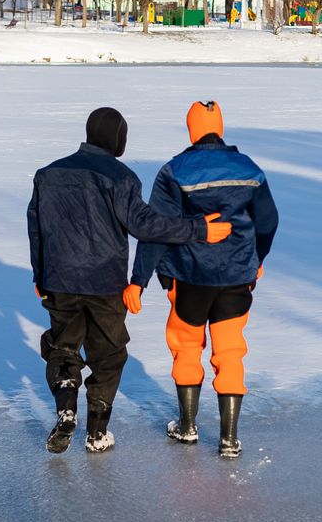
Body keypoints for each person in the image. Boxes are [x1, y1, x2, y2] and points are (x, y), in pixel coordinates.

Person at [27, 107, 233, 454]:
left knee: (63, 347)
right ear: (117, 139)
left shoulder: (47, 174)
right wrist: (199, 229)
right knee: (109, 356)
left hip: (60, 279)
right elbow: (146, 225)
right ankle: (96, 433)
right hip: (105, 282)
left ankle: (66, 407)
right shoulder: (121, 178)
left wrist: (39, 273)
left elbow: (35, 228)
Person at [125, 101, 279, 458]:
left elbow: (157, 229)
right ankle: (228, 438)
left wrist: (139, 279)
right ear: (220, 128)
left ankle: (188, 427)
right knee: (230, 350)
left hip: (189, 276)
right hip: (237, 277)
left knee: (186, 346)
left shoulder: (174, 170)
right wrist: (258, 258)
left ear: (192, 129)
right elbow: (268, 221)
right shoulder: (249, 169)